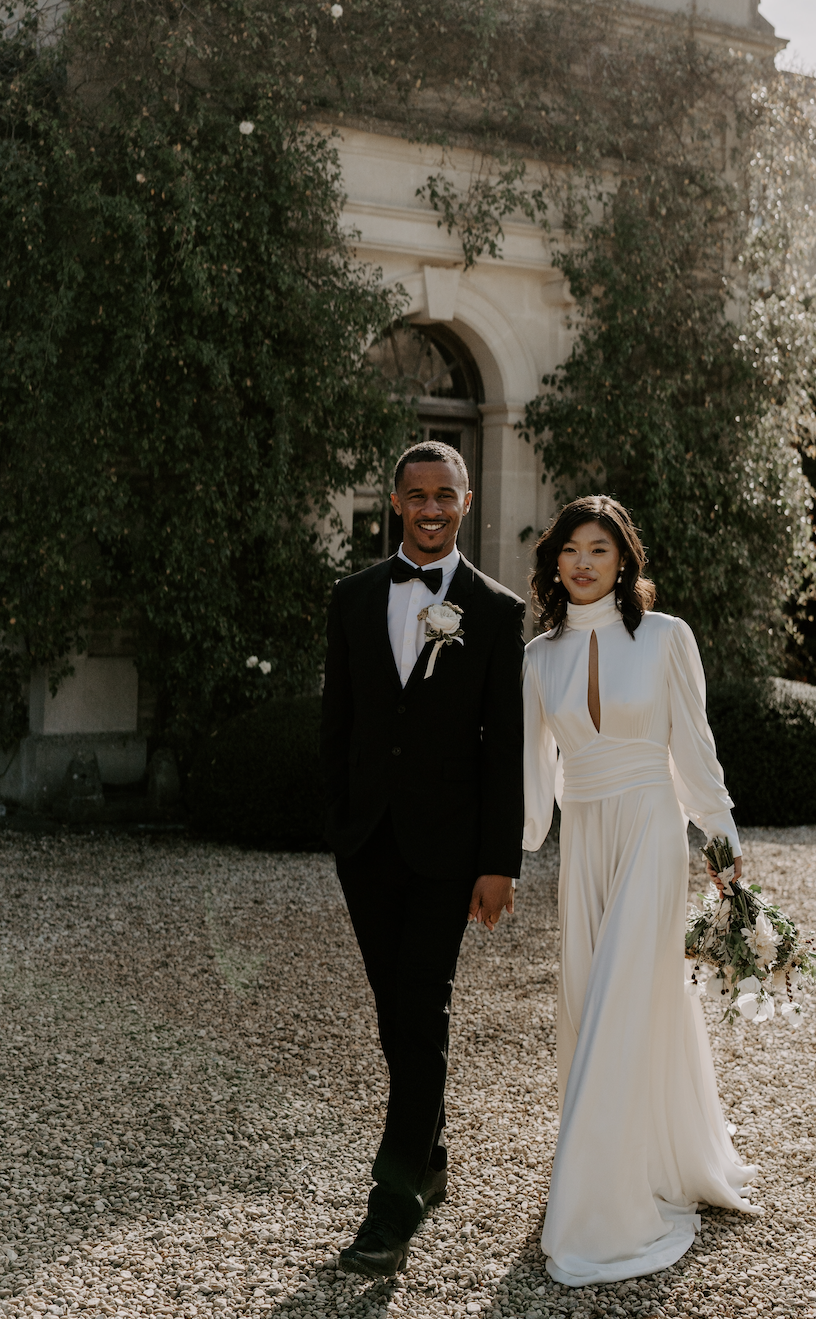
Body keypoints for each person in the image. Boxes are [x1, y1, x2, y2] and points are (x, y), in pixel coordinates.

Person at [523, 495, 761, 1287]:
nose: (584, 562)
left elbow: (693, 749)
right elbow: (533, 780)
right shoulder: (539, 658)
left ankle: (599, 1208)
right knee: (592, 1002)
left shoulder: (666, 638)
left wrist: (721, 844)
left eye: (599, 549)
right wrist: (505, 859)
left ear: (624, 560)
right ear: (554, 563)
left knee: (625, 997)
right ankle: (633, 1158)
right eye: (570, 550)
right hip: (583, 841)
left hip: (652, 835)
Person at [321, 440, 526, 1278]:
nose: (432, 508)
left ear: (466, 502)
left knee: (422, 1012)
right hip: (368, 844)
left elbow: (503, 746)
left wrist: (498, 861)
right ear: (395, 502)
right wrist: (340, 824)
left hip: (450, 852)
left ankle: (391, 1202)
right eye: (417, 495)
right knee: (392, 1017)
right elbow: (338, 720)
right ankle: (432, 1152)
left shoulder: (498, 610)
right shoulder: (354, 597)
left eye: (446, 494)